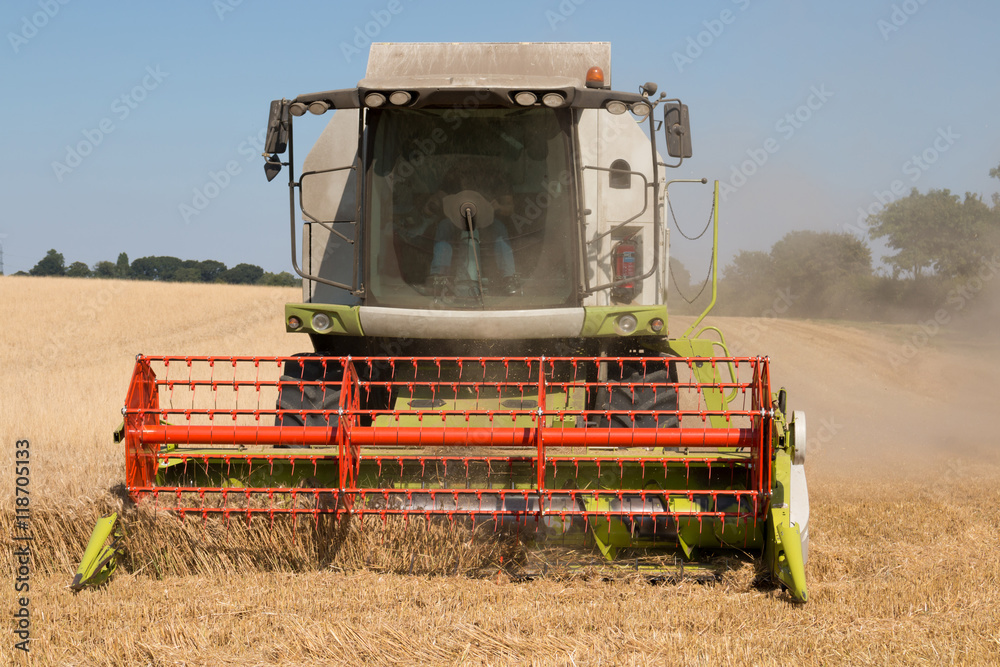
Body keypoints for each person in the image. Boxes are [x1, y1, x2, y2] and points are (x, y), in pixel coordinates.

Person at [423, 163, 519, 296]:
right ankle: (438, 278)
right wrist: (432, 204)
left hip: (487, 222)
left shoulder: (498, 175)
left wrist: (498, 207)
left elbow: (509, 208)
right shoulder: (455, 174)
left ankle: (509, 278)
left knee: (500, 229)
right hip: (457, 221)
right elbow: (439, 197)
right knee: (444, 226)